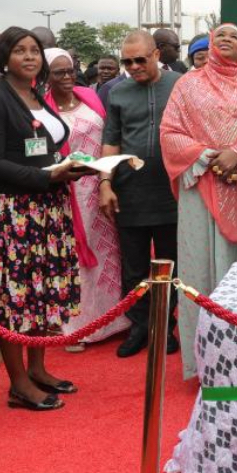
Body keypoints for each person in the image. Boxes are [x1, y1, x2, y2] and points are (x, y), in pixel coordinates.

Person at [0, 27, 89, 411]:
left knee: (42, 294)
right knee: (13, 297)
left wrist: (68, 169)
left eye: (34, 51)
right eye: (20, 51)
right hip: (12, 213)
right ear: (3, 57)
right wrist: (46, 176)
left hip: (48, 208)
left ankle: (38, 369)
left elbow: (45, 148)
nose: (29, 57)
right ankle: (18, 383)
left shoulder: (37, 94)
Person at [160, 24, 237, 378]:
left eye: (233, 35)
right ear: (210, 45)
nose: (225, 39)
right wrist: (209, 156)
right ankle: (207, 364)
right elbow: (170, 133)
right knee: (203, 272)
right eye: (219, 35)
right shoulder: (188, 84)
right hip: (201, 187)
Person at [99, 31, 182, 358]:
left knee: (169, 264)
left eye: (140, 59)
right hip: (129, 192)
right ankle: (139, 327)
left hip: (171, 191)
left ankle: (165, 326)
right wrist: (105, 183)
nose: (133, 66)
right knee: (133, 267)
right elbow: (111, 140)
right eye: (127, 61)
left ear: (157, 54)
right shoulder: (117, 93)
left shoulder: (180, 85)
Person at [44, 49, 129, 351]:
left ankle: (114, 318)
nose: (67, 77)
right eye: (59, 72)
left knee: (110, 252)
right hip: (69, 192)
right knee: (76, 258)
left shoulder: (90, 97)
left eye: (71, 70)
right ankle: (79, 325)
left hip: (102, 184)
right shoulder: (43, 109)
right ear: (45, 76)